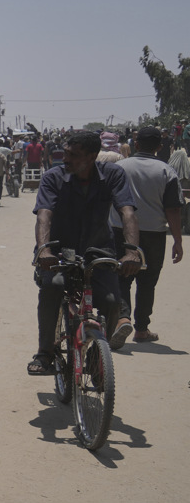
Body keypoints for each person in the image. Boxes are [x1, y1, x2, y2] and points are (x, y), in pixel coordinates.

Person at [31, 130, 140, 371]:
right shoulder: (53, 177)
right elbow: (44, 215)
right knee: (53, 287)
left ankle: (97, 356)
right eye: (66, 153)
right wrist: (44, 251)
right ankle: (45, 352)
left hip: (98, 250)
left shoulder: (113, 175)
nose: (66, 159)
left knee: (112, 302)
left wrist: (132, 251)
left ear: (92, 157)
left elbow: (128, 212)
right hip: (58, 250)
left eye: (74, 155)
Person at [109, 126, 182, 343]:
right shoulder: (166, 171)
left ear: (135, 143)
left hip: (119, 230)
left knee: (121, 277)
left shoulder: (119, 167)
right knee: (147, 282)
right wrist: (177, 241)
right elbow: (173, 209)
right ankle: (141, 329)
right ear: (160, 147)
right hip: (154, 234)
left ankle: (122, 319)